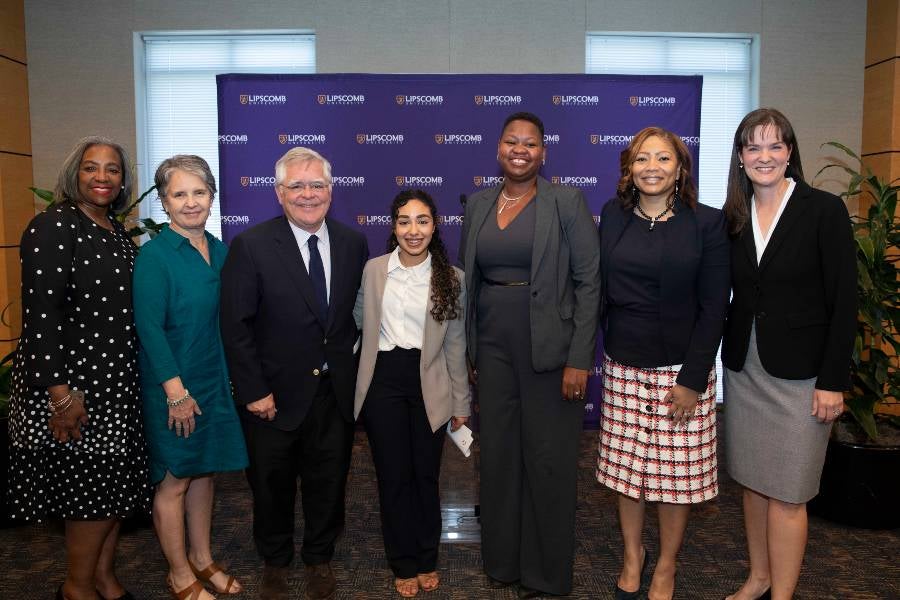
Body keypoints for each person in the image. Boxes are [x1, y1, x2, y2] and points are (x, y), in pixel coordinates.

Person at [458, 112, 600, 598]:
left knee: (548, 460)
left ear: (544, 152)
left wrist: (580, 357)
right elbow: (469, 286)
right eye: (512, 141)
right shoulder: (478, 204)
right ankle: (503, 563)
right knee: (498, 457)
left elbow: (588, 282)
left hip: (552, 353)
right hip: (492, 348)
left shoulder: (565, 201)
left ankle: (545, 573)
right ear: (498, 148)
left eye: (531, 143)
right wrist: (470, 353)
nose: (520, 149)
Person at [219, 146, 368, 600]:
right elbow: (235, 324)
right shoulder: (252, 245)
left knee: (330, 482)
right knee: (270, 486)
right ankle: (276, 561)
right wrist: (253, 390)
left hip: (333, 392)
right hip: (272, 396)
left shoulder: (352, 242)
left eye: (317, 185)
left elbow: (354, 317)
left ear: (331, 191)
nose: (308, 194)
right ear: (280, 193)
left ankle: (319, 558)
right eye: (297, 186)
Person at [6, 136, 151, 600]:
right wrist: (60, 394)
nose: (102, 177)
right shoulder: (54, 225)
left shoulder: (113, 229)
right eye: (92, 168)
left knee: (110, 493)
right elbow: (40, 316)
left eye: (112, 169)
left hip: (116, 386)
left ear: (123, 179)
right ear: (75, 174)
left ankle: (105, 581)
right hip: (75, 390)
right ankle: (76, 588)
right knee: (88, 496)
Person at [721, 108, 856, 600]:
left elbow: (845, 302)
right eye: (753, 147)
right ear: (741, 156)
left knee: (789, 492)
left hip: (803, 376)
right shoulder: (732, 217)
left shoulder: (823, 210)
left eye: (774, 146)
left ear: (790, 152)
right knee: (754, 484)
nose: (764, 156)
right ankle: (759, 578)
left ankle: (784, 595)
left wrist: (832, 379)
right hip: (745, 369)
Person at [595, 127, 730, 600]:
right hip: (623, 367)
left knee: (677, 481)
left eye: (663, 158)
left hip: (681, 371)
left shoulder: (707, 225)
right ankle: (633, 555)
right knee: (626, 475)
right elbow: (599, 293)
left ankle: (667, 566)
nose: (651, 167)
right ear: (629, 169)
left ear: (680, 169)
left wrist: (693, 379)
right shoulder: (612, 216)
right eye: (641, 159)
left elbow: (715, 308)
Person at [132, 155, 248, 600]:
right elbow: (149, 329)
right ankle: (179, 573)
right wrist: (175, 392)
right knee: (174, 480)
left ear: (213, 197)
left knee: (205, 473)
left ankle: (202, 559)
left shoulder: (221, 251)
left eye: (199, 192)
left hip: (213, 381)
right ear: (163, 201)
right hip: (174, 387)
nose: (191, 202)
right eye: (179, 194)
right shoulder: (155, 256)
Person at [353, 190, 470, 598]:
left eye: (422, 221)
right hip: (383, 382)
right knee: (392, 478)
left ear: (435, 226)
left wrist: (461, 404)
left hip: (430, 382)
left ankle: (426, 557)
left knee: (425, 476)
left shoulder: (451, 277)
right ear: (393, 226)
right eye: (404, 221)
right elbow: (357, 322)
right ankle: (402, 563)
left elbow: (456, 344)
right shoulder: (373, 271)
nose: (413, 230)